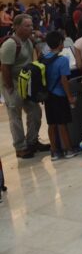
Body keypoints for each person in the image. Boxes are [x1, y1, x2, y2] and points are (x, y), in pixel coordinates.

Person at [0, 14, 48, 158]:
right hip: (11, 82)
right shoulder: (10, 44)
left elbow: (41, 47)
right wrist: (10, 88)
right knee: (15, 116)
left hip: (25, 81)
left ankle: (32, 141)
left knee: (35, 112)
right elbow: (5, 68)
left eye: (31, 25)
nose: (31, 28)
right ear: (17, 27)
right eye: (27, 26)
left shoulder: (28, 40)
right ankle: (20, 147)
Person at [42, 31, 79, 160]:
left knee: (51, 123)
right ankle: (68, 149)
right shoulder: (62, 59)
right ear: (59, 43)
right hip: (59, 95)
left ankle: (54, 152)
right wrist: (70, 97)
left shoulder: (43, 58)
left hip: (48, 96)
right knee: (62, 123)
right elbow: (64, 80)